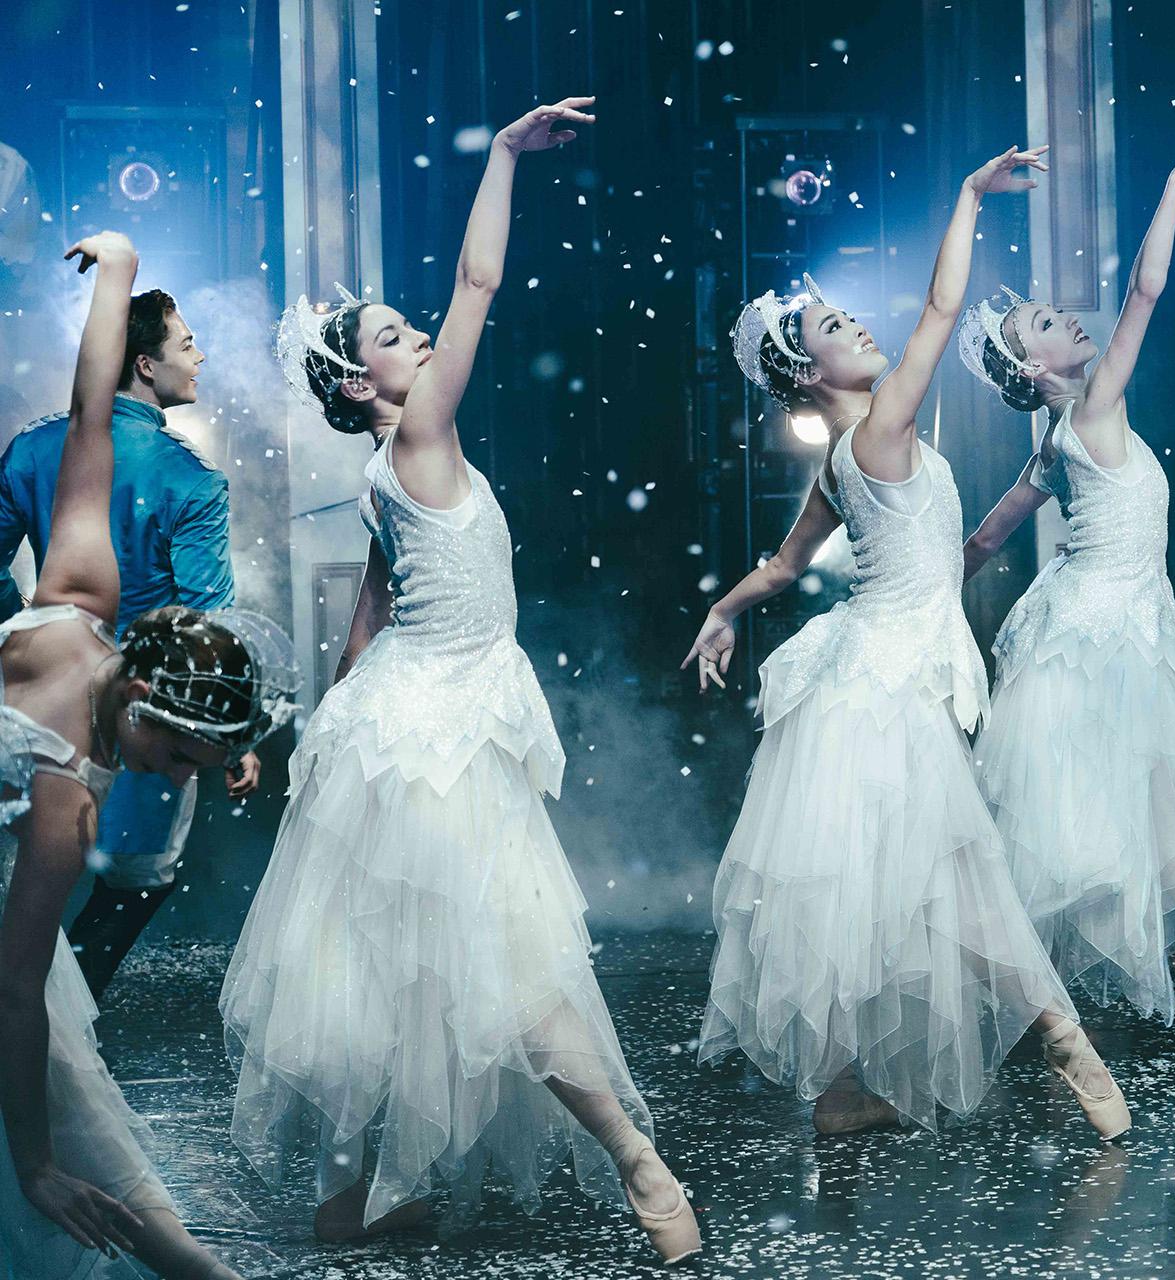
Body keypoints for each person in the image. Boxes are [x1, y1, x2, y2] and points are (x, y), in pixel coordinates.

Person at [219, 98, 702, 1265]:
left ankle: (354, 1194)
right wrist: (498, 160)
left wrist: (330, 721)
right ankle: (637, 1158)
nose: (420, 336)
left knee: (395, 958)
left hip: (411, 715)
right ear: (366, 383)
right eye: (393, 335)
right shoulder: (419, 434)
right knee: (498, 957)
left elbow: (371, 604)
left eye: (409, 326)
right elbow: (481, 284)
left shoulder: (401, 463)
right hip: (430, 724)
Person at [686, 145, 1133, 1143]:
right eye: (836, 327)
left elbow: (785, 565)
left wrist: (723, 609)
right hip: (882, 682)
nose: (862, 327)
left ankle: (844, 1089)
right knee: (949, 873)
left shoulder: (847, 459)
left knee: (877, 883)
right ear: (809, 370)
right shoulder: (878, 431)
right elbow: (940, 312)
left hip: (872, 671)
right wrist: (968, 198)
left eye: (851, 315)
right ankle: (1060, 1035)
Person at [953, 129, 1175, 1068]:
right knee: (1095, 820)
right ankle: (1041, 1015)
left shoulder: (1064, 432)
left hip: (1108, 631)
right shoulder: (1091, 407)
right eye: (1043, 322)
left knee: (1143, 809)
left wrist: (934, 595)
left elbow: (987, 544)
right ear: (1033, 367)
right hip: (1092, 638)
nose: (1066, 317)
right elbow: (1146, 293)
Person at [0, 229, 294, 1280]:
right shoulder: (65, 794)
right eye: (179, 754)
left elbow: (88, 417)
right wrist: (34, 1166)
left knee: (69, 1064)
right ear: (142, 693)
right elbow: (16, 987)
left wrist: (120, 274)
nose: (177, 775)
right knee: (56, 1062)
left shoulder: (78, 594)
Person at [0, 286, 256, 999]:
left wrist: (24, 626)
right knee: (136, 882)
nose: (199, 355)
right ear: (144, 364)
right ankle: (55, 1030)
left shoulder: (32, 446)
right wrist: (229, 737)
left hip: (41, 699)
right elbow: (209, 621)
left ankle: (29, 1021)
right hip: (146, 709)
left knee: (32, 878)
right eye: (186, 344)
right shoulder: (189, 477)